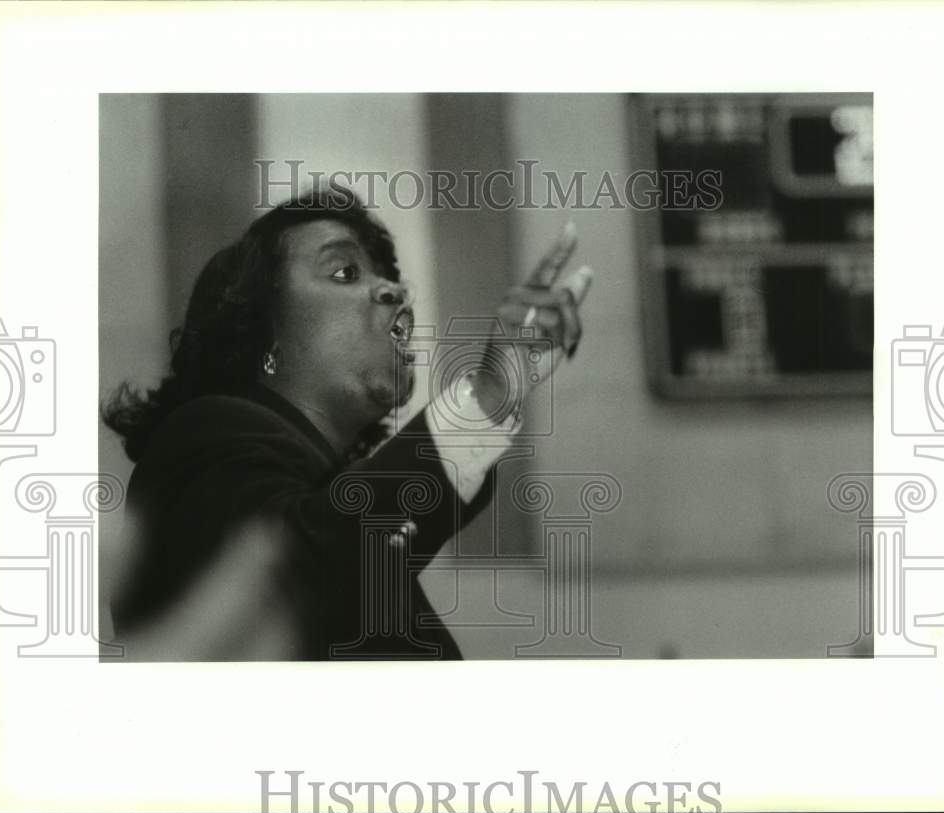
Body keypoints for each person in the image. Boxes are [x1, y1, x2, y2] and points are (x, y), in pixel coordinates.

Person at [103, 187, 593, 660]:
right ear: (263, 332)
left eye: (386, 277)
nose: (396, 292)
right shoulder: (203, 434)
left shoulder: (323, 494)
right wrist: (484, 399)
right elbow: (296, 581)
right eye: (344, 271)